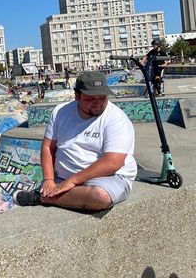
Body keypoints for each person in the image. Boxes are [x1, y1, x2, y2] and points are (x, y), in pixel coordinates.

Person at [13, 72, 136, 211]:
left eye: (102, 97)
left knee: (100, 197)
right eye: (90, 99)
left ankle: (42, 198)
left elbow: (113, 162)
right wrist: (48, 179)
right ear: (77, 96)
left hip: (107, 177)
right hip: (63, 177)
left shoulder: (116, 118)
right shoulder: (61, 112)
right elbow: (48, 147)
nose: (97, 103)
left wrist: (73, 181)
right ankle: (60, 192)